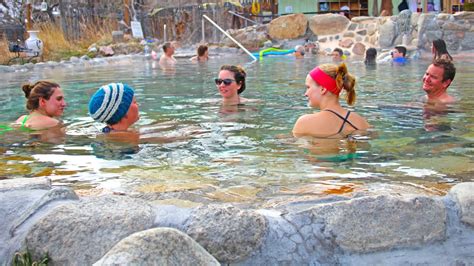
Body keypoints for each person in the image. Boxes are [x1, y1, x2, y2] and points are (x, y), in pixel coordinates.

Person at [293, 63, 370, 137]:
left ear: (323, 89)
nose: (305, 93)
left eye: (308, 87)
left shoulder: (305, 122)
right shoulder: (361, 122)